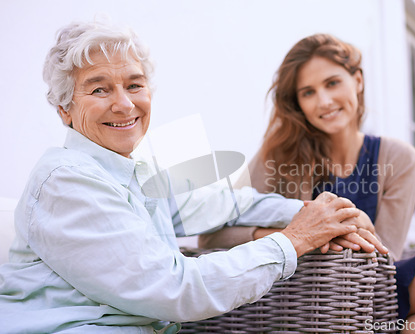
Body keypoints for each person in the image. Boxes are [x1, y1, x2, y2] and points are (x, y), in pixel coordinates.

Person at [0, 22, 386, 333]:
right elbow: (174, 288)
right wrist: (296, 238)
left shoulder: (139, 169)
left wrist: (320, 214)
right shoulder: (67, 180)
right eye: (99, 89)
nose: (124, 103)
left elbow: (234, 204)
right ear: (65, 110)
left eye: (134, 84)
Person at [199, 34, 415, 333]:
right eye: (308, 92)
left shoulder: (399, 157)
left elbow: (387, 254)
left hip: (374, 295)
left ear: (358, 80)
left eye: (332, 83)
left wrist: (362, 224)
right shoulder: (278, 154)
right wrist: (294, 236)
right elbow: (210, 236)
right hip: (312, 300)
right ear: (298, 103)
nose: (324, 101)